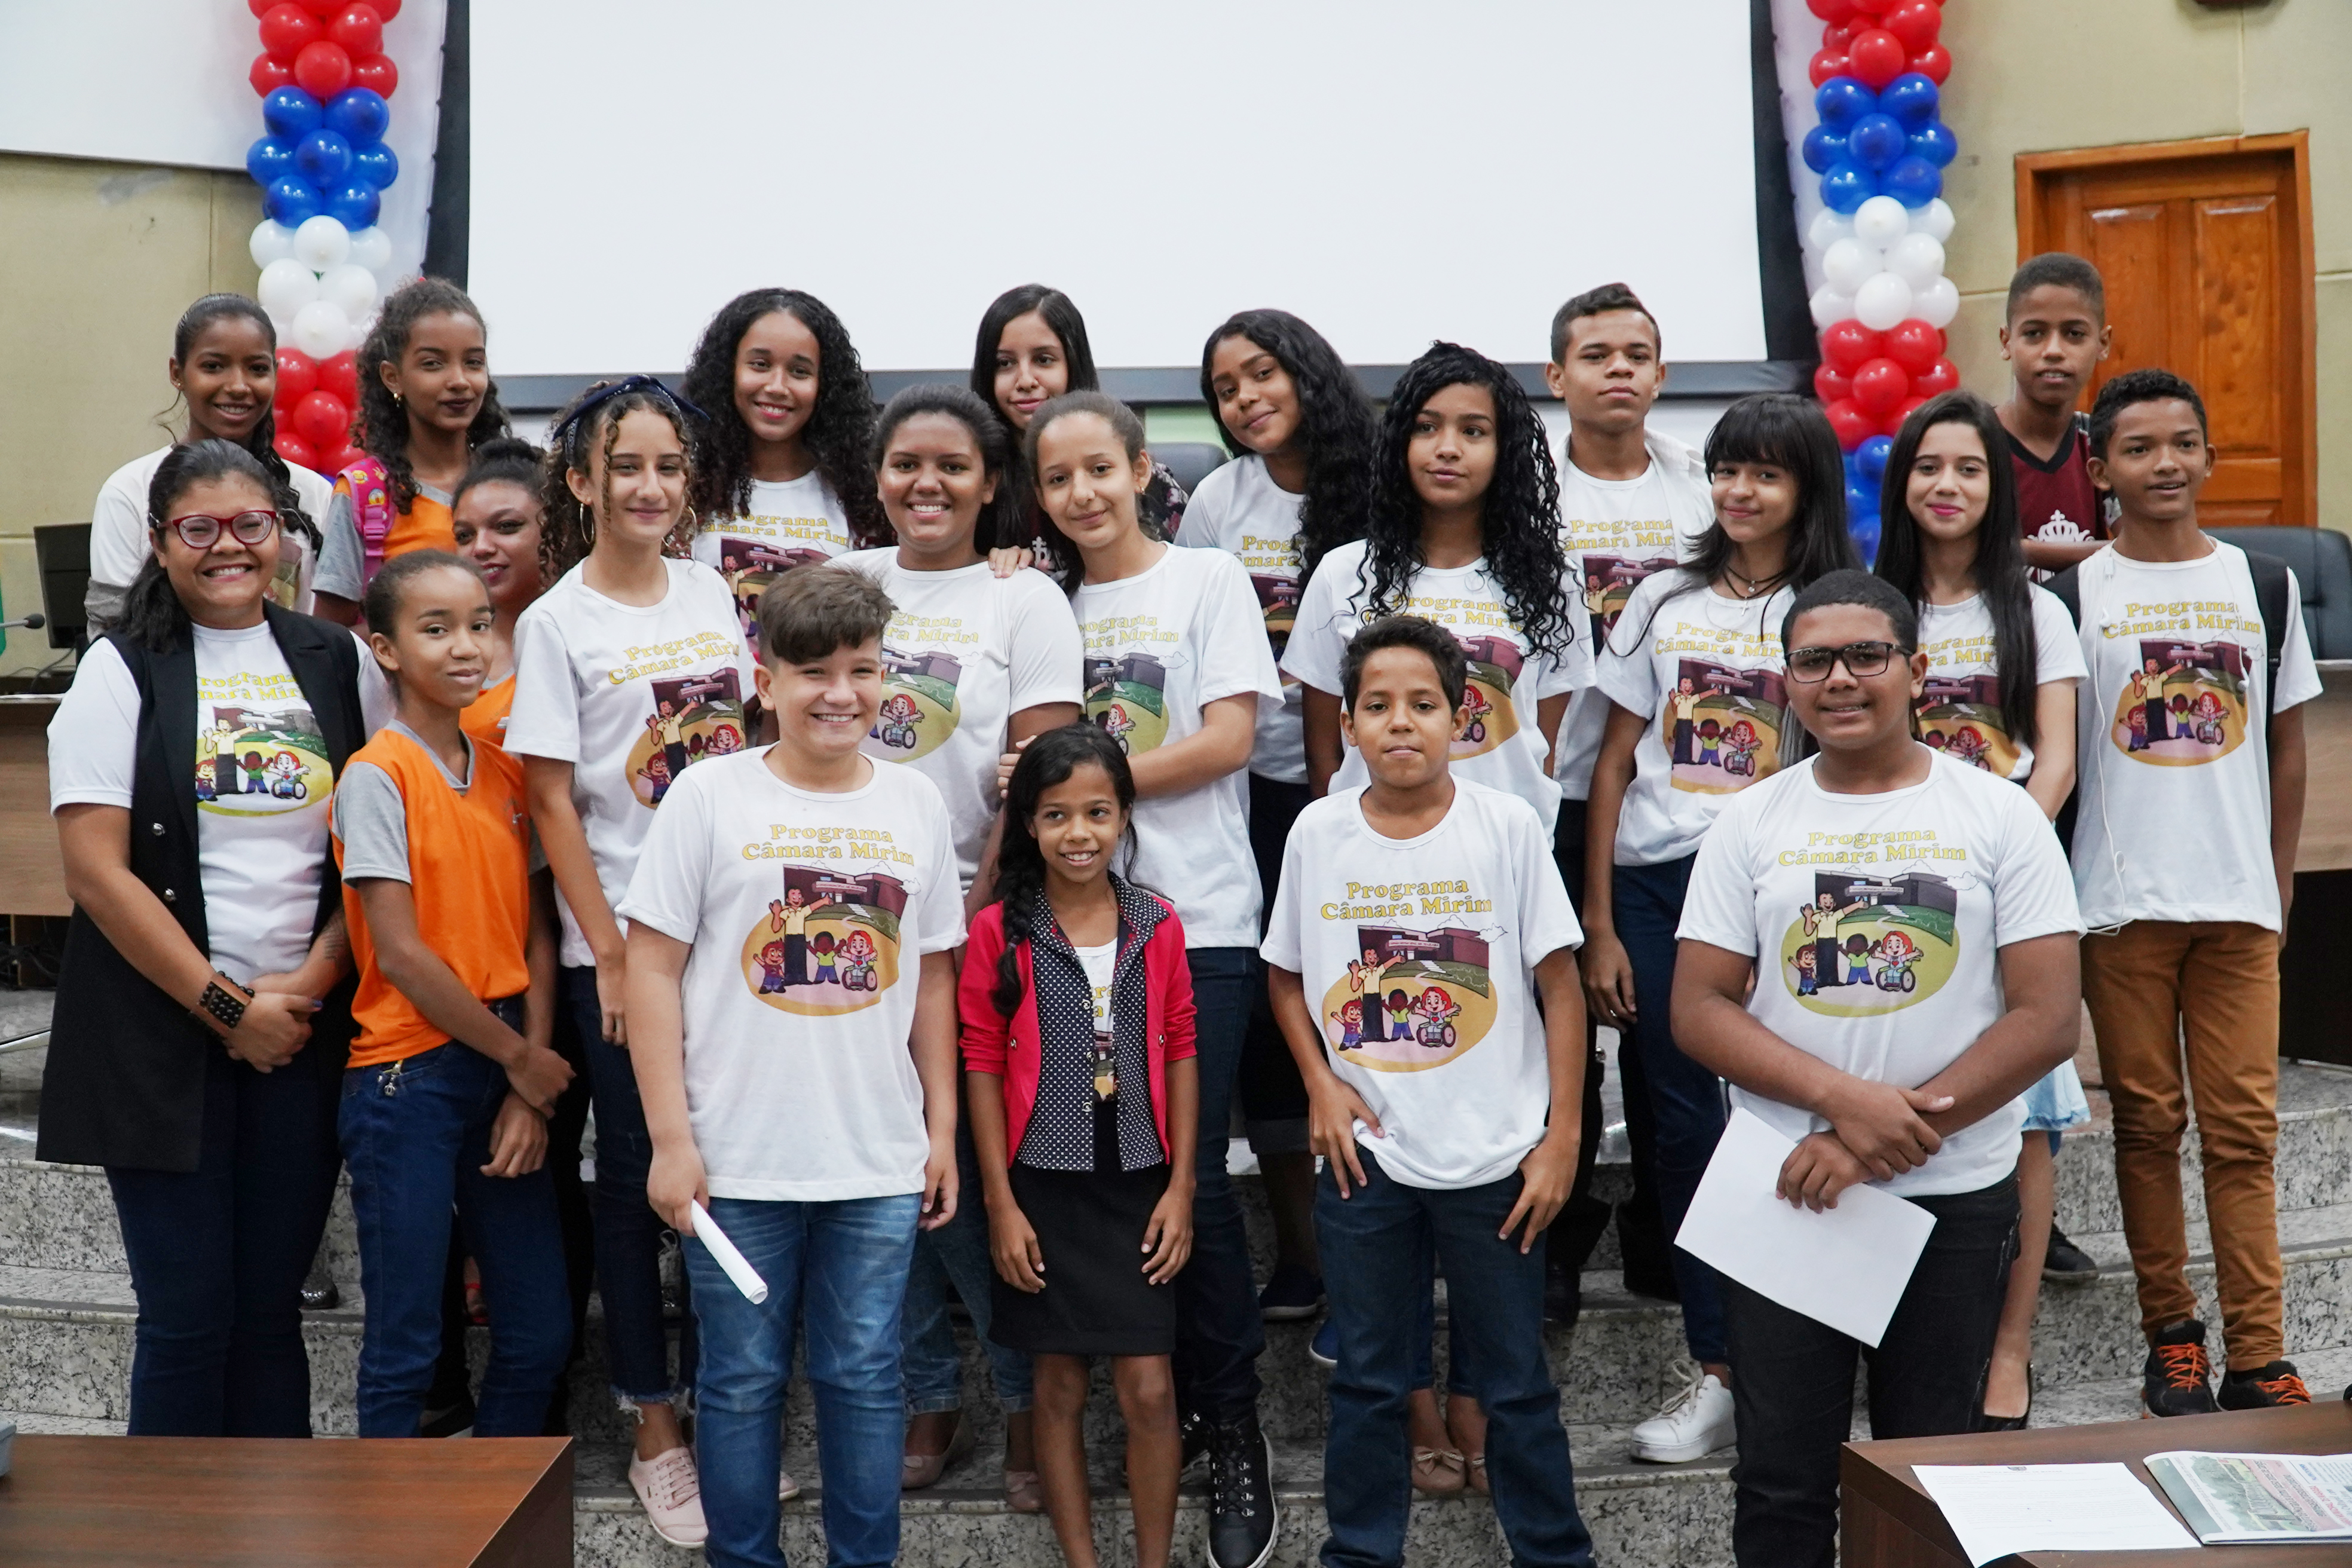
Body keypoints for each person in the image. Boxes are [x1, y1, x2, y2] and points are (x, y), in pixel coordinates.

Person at [1673, 569, 2085, 1566]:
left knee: (1929, 1479)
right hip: (1789, 1192)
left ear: (1917, 669)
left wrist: (1887, 1137)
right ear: (1785, 681)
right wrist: (1842, 1104)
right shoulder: (1750, 821)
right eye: (1813, 659)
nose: (1841, 678)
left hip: (1953, 1194)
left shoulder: (1999, 815)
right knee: (1780, 1480)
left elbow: (2046, 1019)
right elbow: (1695, 1007)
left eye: (1867, 654)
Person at [1283, 337, 1585, 1481]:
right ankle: (1412, 1412)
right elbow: (1324, 756)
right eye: (1426, 425)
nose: (1448, 447)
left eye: (1474, 427)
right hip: (1373, 897)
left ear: (1506, 447)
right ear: (1395, 441)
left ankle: (1483, 1407)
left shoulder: (1543, 581)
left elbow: (1556, 745)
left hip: (1506, 904)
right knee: (1388, 1180)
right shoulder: (1346, 572)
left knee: (1502, 1205)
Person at [41, 439, 387, 1435]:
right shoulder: (119, 668)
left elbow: (371, 848)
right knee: (189, 1319)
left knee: (269, 1316)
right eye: (199, 528)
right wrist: (227, 1007)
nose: (228, 546)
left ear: (283, 532)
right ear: (159, 542)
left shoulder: (338, 658)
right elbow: (95, 871)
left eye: (251, 523)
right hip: (158, 1037)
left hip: (298, 1033)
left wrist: (310, 984)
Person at [626, 565, 964, 1568]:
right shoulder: (706, 793)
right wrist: (670, 1141)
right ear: (764, 679)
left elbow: (933, 983)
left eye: (862, 669)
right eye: (812, 670)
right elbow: (650, 969)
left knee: (866, 1374)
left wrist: (939, 1129)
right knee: (736, 1379)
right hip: (732, 1161)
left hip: (875, 1157)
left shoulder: (916, 802)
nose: (839, 692)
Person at [1263, 615, 1593, 1568]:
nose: (1399, 723)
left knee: (1515, 1381)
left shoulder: (1509, 827)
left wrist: (1562, 1134)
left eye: (1422, 705)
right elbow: (1286, 977)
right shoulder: (1318, 833)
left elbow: (1559, 986)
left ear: (1462, 718)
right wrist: (1321, 1087)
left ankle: (1554, 1554)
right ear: (1349, 725)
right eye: (1376, 706)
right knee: (1369, 1376)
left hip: (1498, 1157)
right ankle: (1361, 1554)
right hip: (1368, 1159)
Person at [1026, 390, 1281, 1568]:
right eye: (1058, 477)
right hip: (1067, 931)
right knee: (1105, 1171)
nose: (1082, 493)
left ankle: (1231, 1422)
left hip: (1201, 920)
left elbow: (1230, 737)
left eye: (1099, 469)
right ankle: (1128, 1400)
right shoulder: (1039, 602)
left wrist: (1096, 794)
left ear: (1140, 469)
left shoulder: (1206, 581)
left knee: (1199, 1173)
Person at [1583, 393, 1860, 1463]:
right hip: (1657, 887)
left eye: (1765, 474)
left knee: (1797, 1112)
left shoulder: (1835, 603)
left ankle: (1819, 1352)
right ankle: (1720, 1372)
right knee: (1687, 1127)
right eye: (1726, 470)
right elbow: (1610, 763)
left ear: (1807, 488)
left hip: (1783, 885)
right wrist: (1600, 921)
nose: (1739, 491)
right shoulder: (1661, 596)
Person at [506, 377, 757, 1543]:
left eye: (669, 465)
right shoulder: (557, 620)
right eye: (627, 467)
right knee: (632, 1180)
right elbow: (552, 800)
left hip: (732, 940)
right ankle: (654, 1419)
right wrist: (607, 951)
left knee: (727, 1170)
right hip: (624, 949)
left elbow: (747, 749)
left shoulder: (710, 589)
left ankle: (721, 1409)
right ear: (581, 480)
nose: (650, 486)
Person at [838, 383, 1084, 1505]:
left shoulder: (1024, 603)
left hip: (985, 927)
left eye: (950, 464)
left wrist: (964, 923)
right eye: (903, 463)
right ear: (876, 477)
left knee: (976, 1177)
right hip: (849, 929)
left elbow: (1036, 782)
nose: (924, 483)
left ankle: (1027, 1400)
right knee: (889, 1171)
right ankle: (926, 1391)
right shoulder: (849, 589)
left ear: (993, 483)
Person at [2053, 368, 2317, 1414]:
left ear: (2208, 456)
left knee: (2245, 1131)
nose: (2164, 463)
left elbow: (2290, 752)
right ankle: (2173, 1339)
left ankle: (2262, 1352)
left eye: (2181, 443)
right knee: (2147, 1127)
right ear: (2102, 467)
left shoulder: (2264, 583)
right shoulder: (2075, 595)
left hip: (2240, 906)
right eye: (2138, 447)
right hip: (2118, 904)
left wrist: (2280, 881)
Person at [1872, 389, 2096, 1429]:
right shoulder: (1871, 604)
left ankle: (2008, 1352)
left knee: (2027, 1124)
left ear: (1994, 485)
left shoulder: (2036, 609)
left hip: (2004, 895)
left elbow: (2053, 760)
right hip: (1884, 892)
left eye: (1967, 466)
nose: (1947, 484)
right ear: (1900, 482)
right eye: (1927, 466)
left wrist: (1997, 857)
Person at [334, 549, 575, 1437]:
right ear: (386, 649)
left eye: (479, 623)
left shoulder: (510, 773)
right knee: (405, 1342)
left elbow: (538, 933)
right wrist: (520, 1060)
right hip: (410, 1077)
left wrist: (525, 1078)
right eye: (435, 630)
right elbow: (400, 954)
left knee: (540, 1330)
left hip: (506, 1062)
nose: (467, 645)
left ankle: (492, 1517)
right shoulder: (377, 776)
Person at [1184, 309, 1380, 1327]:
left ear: (1307, 373)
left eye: (1262, 373)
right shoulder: (1221, 497)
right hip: (1244, 786)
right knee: (1270, 1010)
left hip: (1356, 790)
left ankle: (1366, 1245)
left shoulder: (1379, 485)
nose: (1246, 397)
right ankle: (1303, 1252)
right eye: (1225, 387)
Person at [963, 723, 1199, 1568]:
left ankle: (1152, 1560)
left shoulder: (1156, 922)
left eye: (1098, 812)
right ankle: (1081, 1560)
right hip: (1043, 1183)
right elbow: (983, 1063)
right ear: (1029, 823)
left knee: (1149, 1387)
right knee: (1056, 1385)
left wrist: (1182, 1190)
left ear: (1127, 815)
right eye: (1057, 814)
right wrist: (999, 1202)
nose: (1079, 833)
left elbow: (1179, 1046)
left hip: (1137, 1176)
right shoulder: (1001, 929)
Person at [1541, 282, 1718, 1315]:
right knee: (1557, 1008)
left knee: (1662, 1024)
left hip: (1664, 790)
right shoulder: (1528, 493)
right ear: (1556, 377)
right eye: (1594, 353)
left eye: (1636, 353)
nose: (1618, 369)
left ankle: (1665, 1230)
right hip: (1553, 788)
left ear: (1660, 372)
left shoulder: (1702, 488)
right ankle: (1557, 1233)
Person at [85, 294, 334, 630]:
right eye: (213, 367)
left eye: (257, 369)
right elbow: (110, 627)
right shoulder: (129, 491)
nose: (238, 386)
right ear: (178, 372)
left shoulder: (315, 492)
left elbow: (325, 623)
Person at [681, 287, 890, 650]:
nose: (777, 387)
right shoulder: (683, 488)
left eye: (799, 371)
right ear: (728, 371)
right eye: (760, 365)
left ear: (824, 385)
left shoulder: (863, 498)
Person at [313, 277, 514, 622]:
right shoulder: (365, 493)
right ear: (393, 378)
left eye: (473, 363)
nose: (460, 381)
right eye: (433, 364)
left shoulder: (514, 481)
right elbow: (331, 637)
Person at [968, 283, 1188, 547]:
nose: (1025, 380)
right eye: (1004, 364)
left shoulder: (1146, 479)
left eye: (1044, 360)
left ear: (1074, 364)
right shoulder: (975, 482)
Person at [1995, 253, 2114, 577]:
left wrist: (2021, 550)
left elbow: (2151, 543)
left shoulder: (2107, 444)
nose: (2053, 351)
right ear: (2007, 342)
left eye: (2074, 334)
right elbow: (1965, 549)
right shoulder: (1974, 442)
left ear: (2102, 343)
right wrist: (2115, 553)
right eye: (2034, 333)